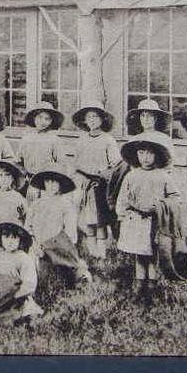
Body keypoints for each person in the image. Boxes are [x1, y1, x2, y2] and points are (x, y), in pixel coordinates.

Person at [115, 134, 182, 303]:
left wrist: (160, 206)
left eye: (149, 153)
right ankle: (139, 286)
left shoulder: (162, 176)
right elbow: (123, 197)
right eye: (141, 153)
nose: (145, 158)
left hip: (154, 221)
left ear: (156, 155)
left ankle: (151, 286)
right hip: (135, 221)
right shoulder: (131, 176)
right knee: (139, 254)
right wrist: (122, 214)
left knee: (152, 255)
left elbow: (175, 197)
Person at [72, 101, 121, 259]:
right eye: (89, 117)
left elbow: (115, 165)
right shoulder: (81, 140)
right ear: (85, 121)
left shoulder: (108, 140)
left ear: (102, 120)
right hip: (83, 183)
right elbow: (76, 163)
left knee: (99, 219)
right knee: (88, 220)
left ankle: (102, 252)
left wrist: (101, 176)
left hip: (99, 185)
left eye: (95, 116)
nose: (92, 120)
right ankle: (92, 252)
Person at [26, 170, 91, 286]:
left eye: (54, 182)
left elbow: (70, 235)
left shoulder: (66, 205)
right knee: (34, 272)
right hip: (37, 247)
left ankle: (77, 273)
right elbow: (28, 228)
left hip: (59, 248)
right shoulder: (36, 205)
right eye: (48, 181)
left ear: (60, 184)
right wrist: (34, 243)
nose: (51, 185)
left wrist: (51, 247)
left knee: (67, 274)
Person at [0, 221, 42, 324]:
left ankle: (22, 319)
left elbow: (30, 283)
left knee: (24, 311)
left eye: (14, 238)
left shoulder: (24, 258)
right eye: (6, 237)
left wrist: (14, 295)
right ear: (1, 239)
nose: (10, 241)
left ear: (20, 240)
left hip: (17, 296)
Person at [18, 101, 70, 192]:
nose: (43, 121)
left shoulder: (54, 140)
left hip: (47, 183)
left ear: (51, 121)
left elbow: (62, 163)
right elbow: (19, 161)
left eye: (47, 119)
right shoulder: (26, 139)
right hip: (29, 181)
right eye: (40, 117)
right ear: (34, 118)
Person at [0, 160, 28, 228]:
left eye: (7, 175)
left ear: (12, 178)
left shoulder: (18, 197)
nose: (4, 179)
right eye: (0, 175)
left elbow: (26, 218)